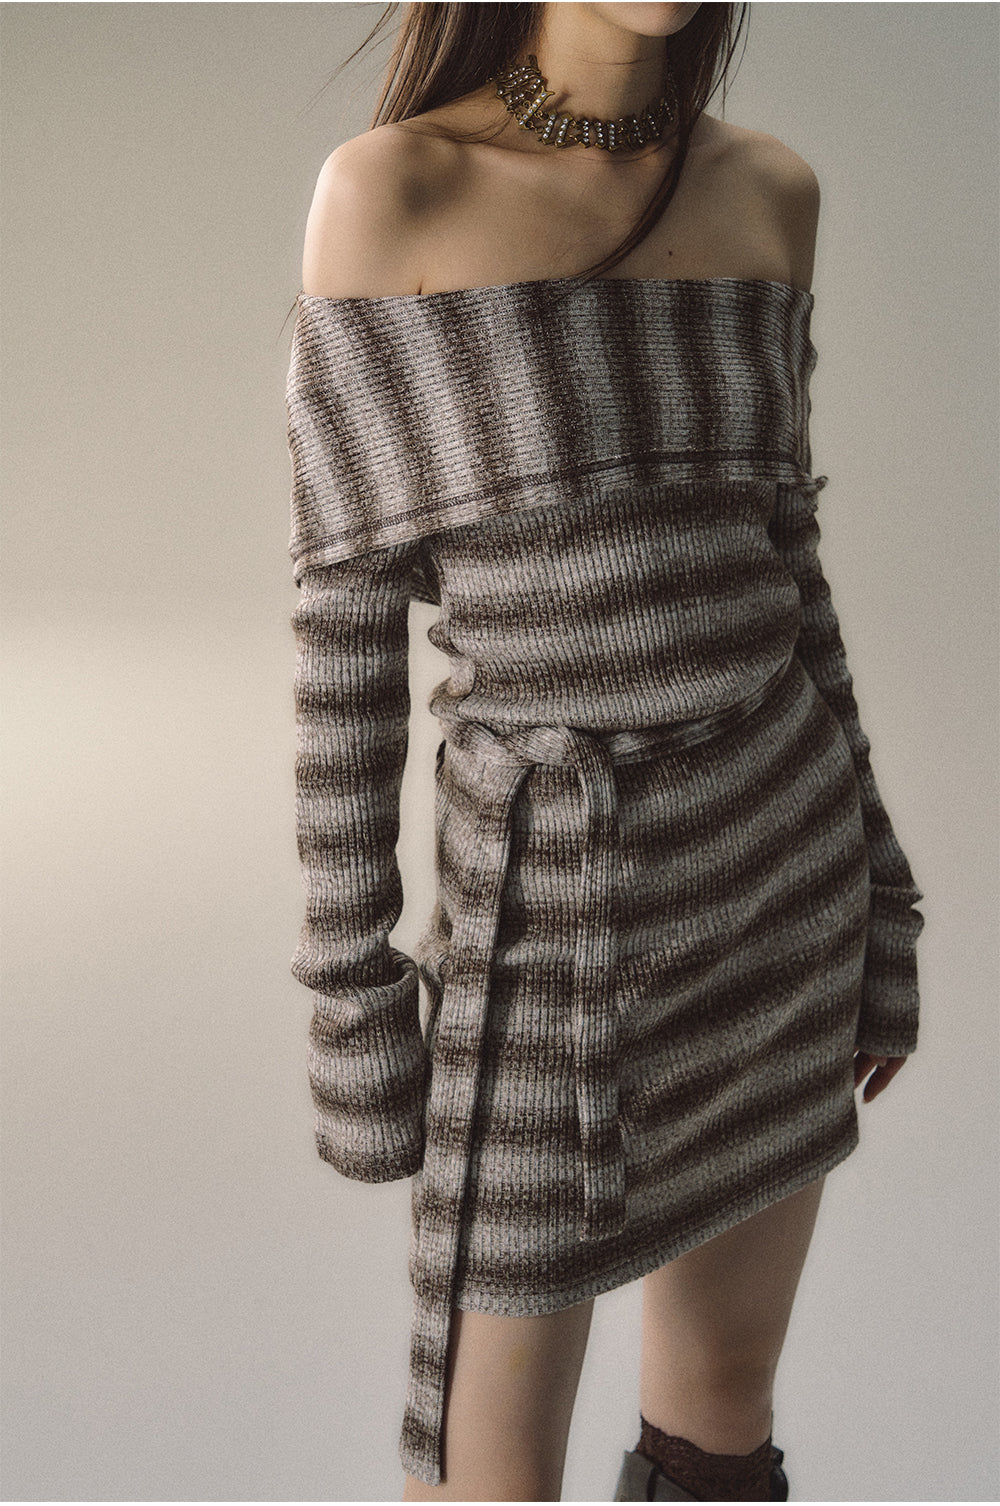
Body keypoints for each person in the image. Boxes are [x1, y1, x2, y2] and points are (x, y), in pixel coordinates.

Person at [284, 3, 925, 1500]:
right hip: (550, 913)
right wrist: (355, 996)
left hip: (779, 874)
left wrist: (883, 899)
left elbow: (787, 569)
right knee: (486, 1473)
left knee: (723, 1405)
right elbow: (343, 643)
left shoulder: (769, 192)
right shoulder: (392, 194)